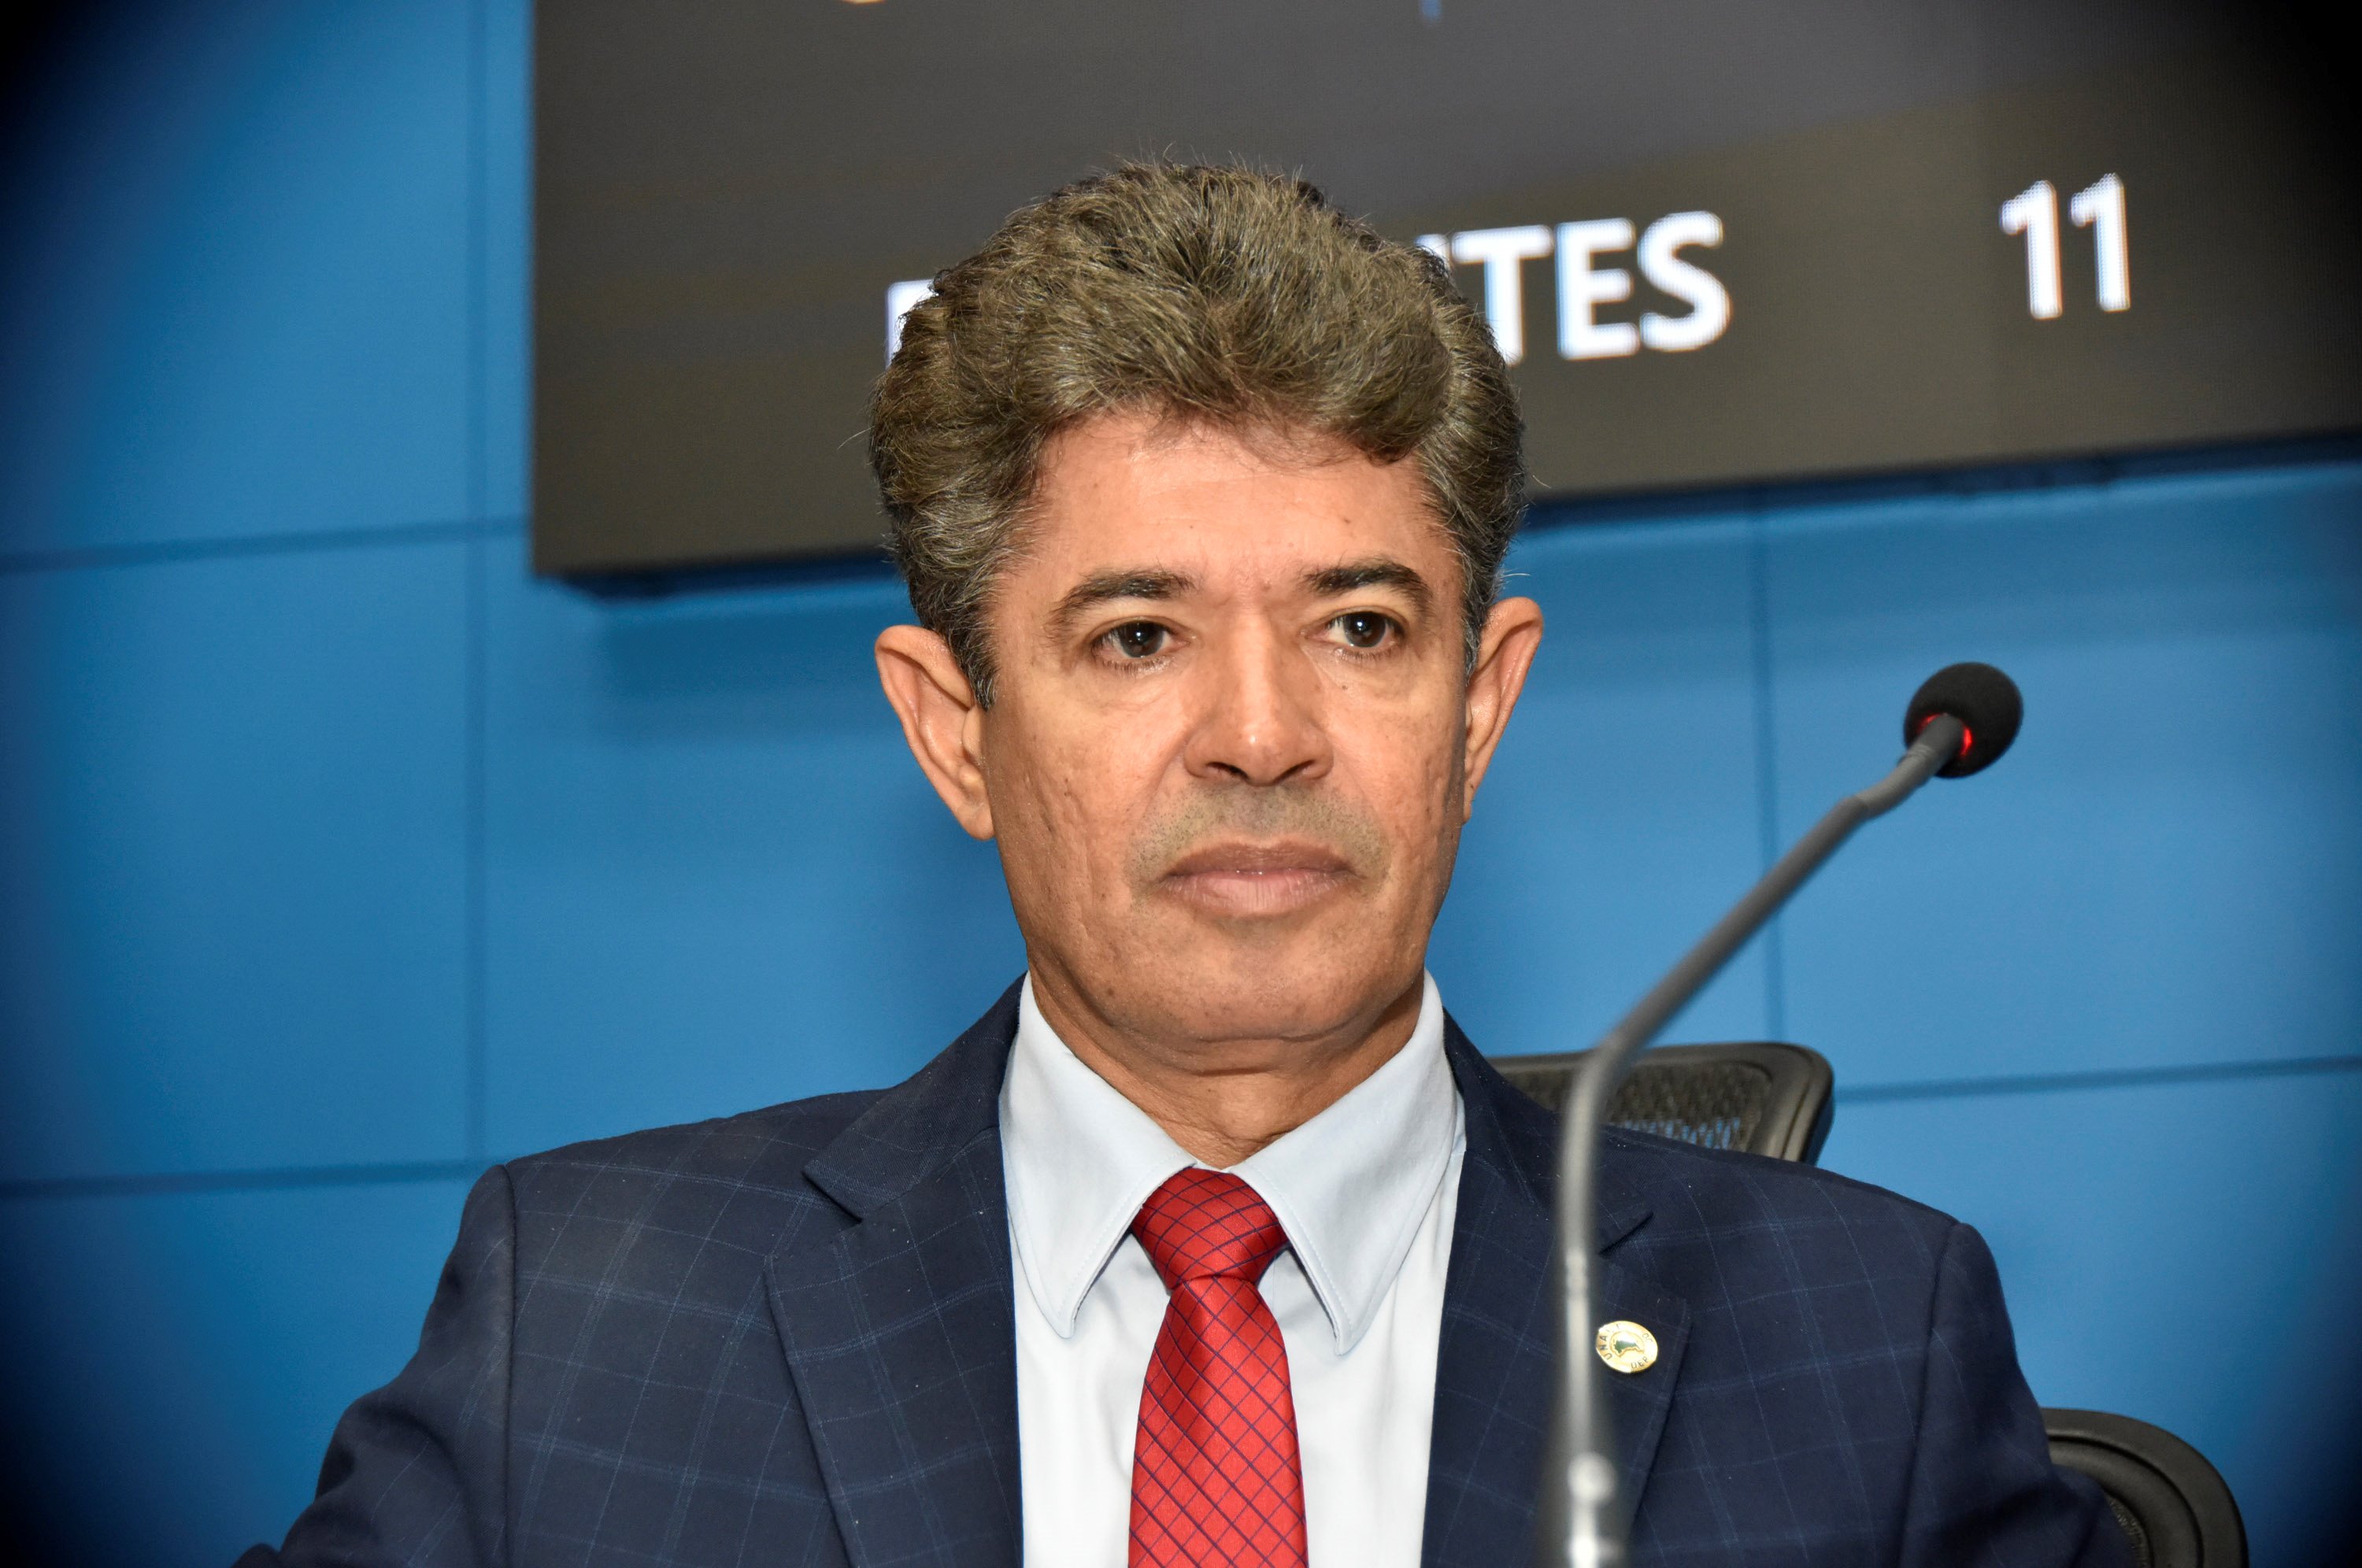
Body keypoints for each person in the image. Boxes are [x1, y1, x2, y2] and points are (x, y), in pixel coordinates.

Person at [242, 164, 2127, 1568]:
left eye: (1361, 629)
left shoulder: (1866, 1348)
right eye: (1138, 636)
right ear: (955, 731)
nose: (1263, 734)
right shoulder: (588, 1327)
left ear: (1479, 709)